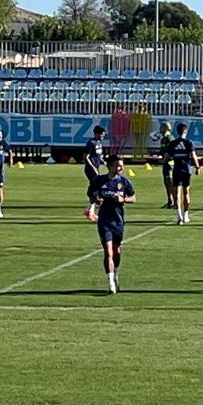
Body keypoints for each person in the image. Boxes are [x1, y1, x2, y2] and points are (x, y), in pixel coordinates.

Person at [86, 155, 136, 294]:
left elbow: (133, 197)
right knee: (108, 252)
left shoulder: (124, 182)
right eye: (118, 165)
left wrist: (123, 198)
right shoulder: (100, 180)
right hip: (104, 220)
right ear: (110, 166)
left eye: (121, 165)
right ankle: (111, 283)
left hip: (118, 220)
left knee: (116, 251)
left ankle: (115, 272)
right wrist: (95, 199)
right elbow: (90, 193)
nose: (120, 168)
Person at [165, 123, 203, 224]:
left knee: (176, 192)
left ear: (177, 132)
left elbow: (166, 156)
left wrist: (170, 159)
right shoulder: (189, 142)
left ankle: (179, 216)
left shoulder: (173, 143)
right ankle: (186, 215)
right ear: (185, 132)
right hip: (186, 169)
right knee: (186, 192)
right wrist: (197, 167)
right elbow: (194, 156)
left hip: (176, 169)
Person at [81, 125, 108, 220]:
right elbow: (86, 156)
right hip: (90, 170)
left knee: (95, 189)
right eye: (101, 135)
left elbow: (98, 155)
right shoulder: (91, 143)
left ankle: (89, 211)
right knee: (95, 189)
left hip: (96, 168)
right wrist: (93, 168)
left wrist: (103, 161)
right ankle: (90, 211)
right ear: (97, 133)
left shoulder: (99, 143)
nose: (102, 137)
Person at [152, 121, 176, 208]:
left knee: (170, 183)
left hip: (169, 163)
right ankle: (170, 201)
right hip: (166, 163)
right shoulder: (163, 139)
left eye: (161, 128)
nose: (159, 129)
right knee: (166, 183)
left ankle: (175, 202)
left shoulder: (169, 138)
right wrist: (156, 153)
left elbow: (171, 152)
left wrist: (164, 159)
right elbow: (164, 151)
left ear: (165, 128)